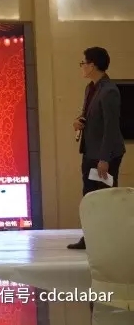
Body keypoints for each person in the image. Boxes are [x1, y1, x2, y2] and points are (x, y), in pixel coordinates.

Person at [68, 47, 125, 250]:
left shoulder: (109, 91)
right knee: (89, 197)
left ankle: (107, 241)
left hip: (105, 154)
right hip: (90, 151)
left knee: (105, 198)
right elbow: (89, 116)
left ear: (92, 65)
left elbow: (111, 127)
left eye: (83, 63)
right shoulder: (90, 88)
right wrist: (78, 122)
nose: (82, 67)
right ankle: (90, 238)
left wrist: (104, 158)